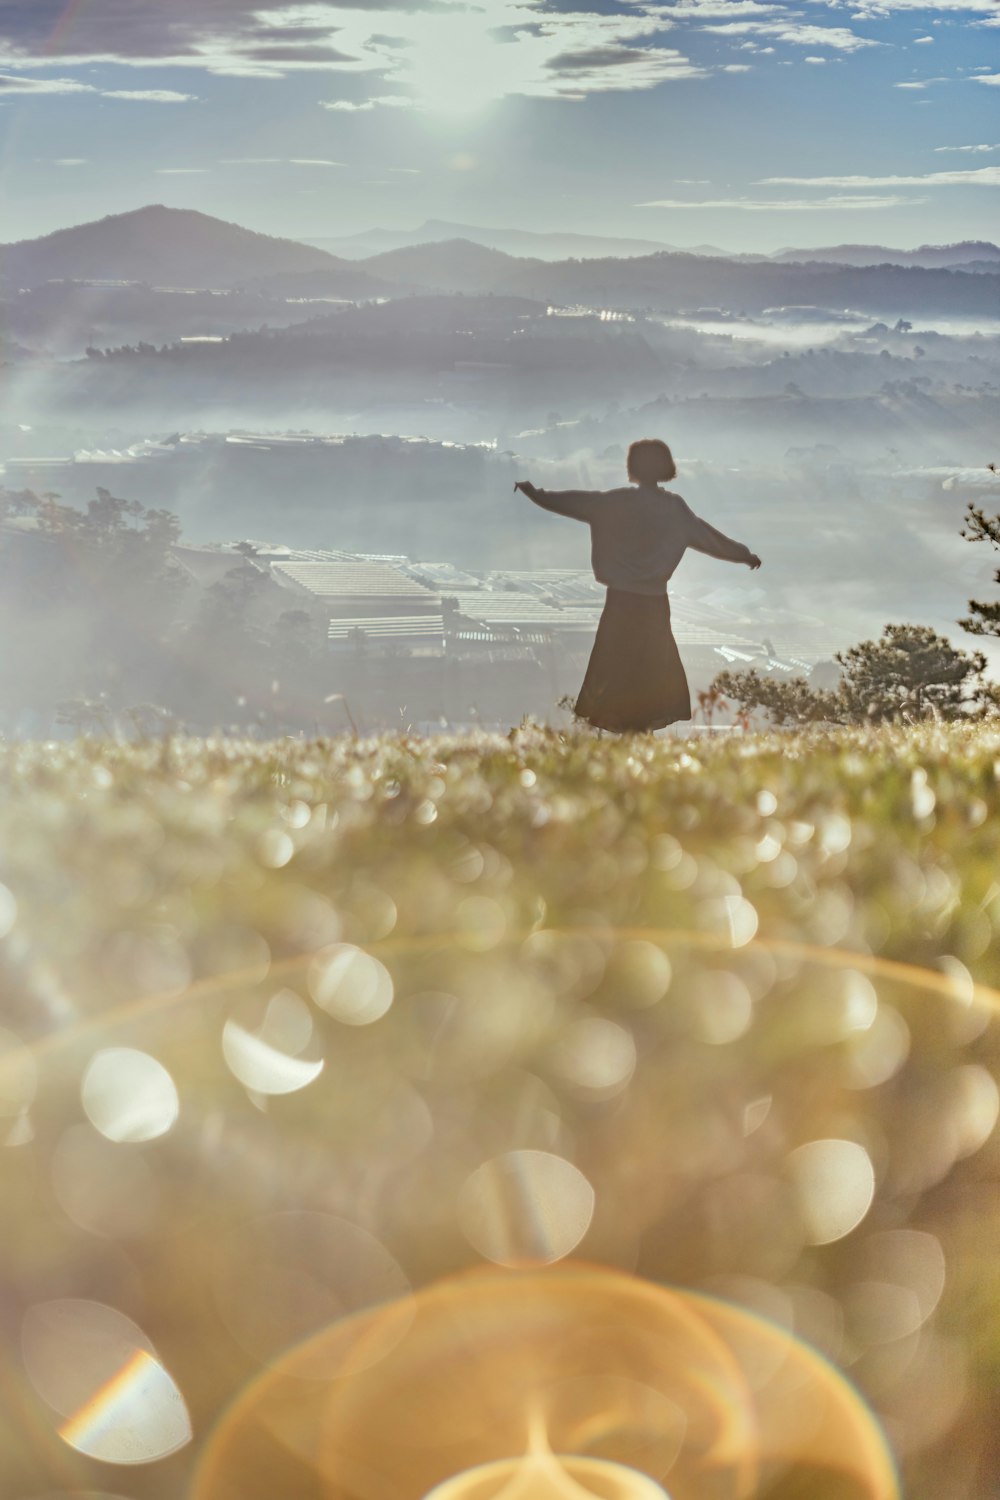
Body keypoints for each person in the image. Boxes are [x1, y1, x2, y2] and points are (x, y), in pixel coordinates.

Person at [514, 438, 761, 732]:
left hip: (619, 603)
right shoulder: (674, 509)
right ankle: (639, 736)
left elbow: (571, 502)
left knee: (617, 671)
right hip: (655, 605)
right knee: (651, 673)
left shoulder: (616, 502)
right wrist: (743, 554)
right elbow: (709, 538)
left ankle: (629, 737)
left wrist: (535, 493)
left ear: (632, 467)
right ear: (667, 467)